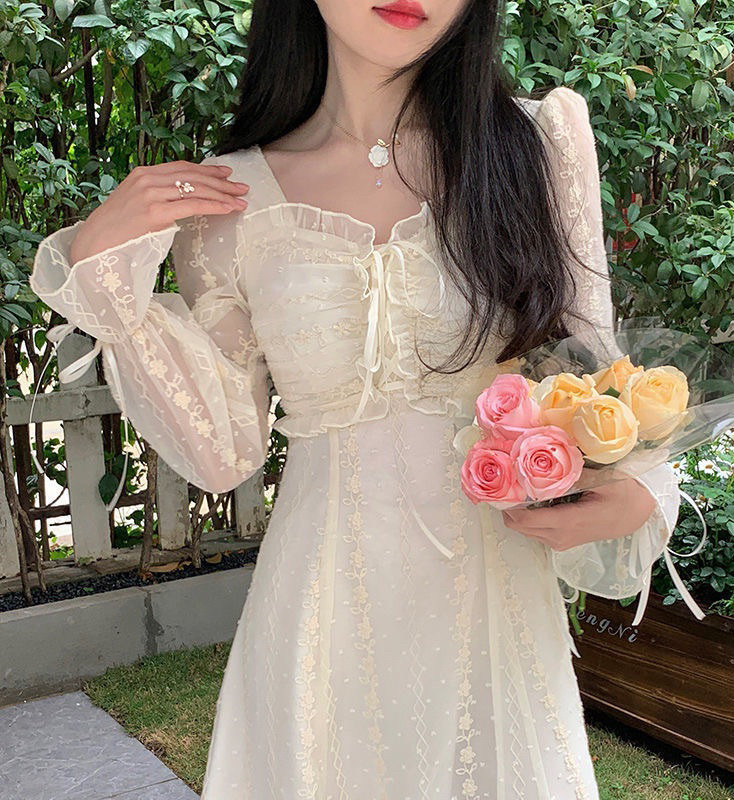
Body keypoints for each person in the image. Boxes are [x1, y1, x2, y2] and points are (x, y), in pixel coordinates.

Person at [30, 0, 681, 797]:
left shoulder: (537, 143)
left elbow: (593, 372)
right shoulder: (230, 198)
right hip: (321, 622)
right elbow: (224, 453)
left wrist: (644, 484)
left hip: (493, 613)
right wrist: (103, 278)